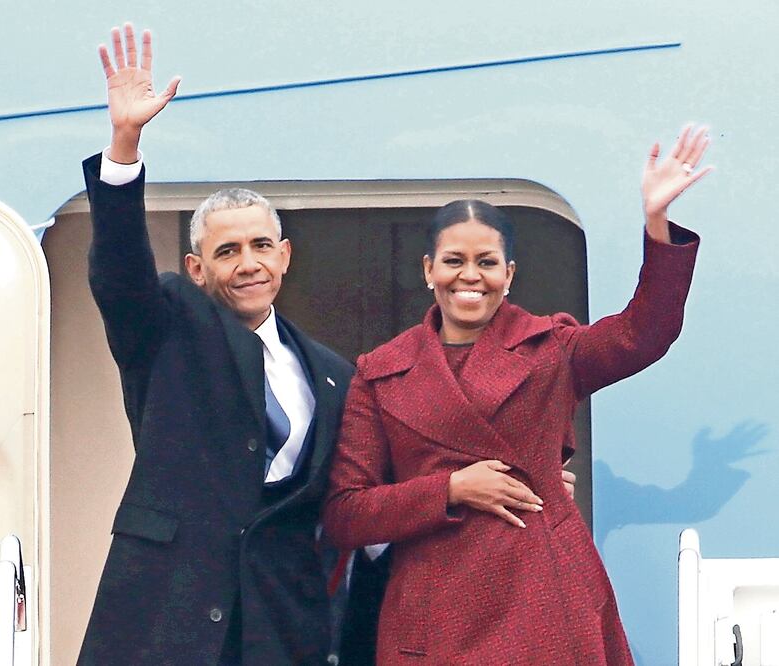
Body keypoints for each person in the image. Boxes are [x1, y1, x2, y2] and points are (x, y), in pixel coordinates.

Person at [322, 124, 711, 664]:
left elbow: (641, 334)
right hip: (433, 614)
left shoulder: (551, 349)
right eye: (454, 260)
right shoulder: (380, 372)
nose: (470, 276)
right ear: (429, 270)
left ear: (508, 275)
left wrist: (656, 224)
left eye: (486, 262)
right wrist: (453, 489)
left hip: (543, 598)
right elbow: (347, 514)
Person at [77, 24, 354, 665]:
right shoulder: (168, 325)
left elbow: (371, 478)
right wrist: (124, 145)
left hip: (279, 624)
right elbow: (119, 275)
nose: (248, 263)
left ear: (284, 257)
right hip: (164, 614)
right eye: (226, 251)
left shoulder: (336, 374)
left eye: (261, 246)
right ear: (198, 269)